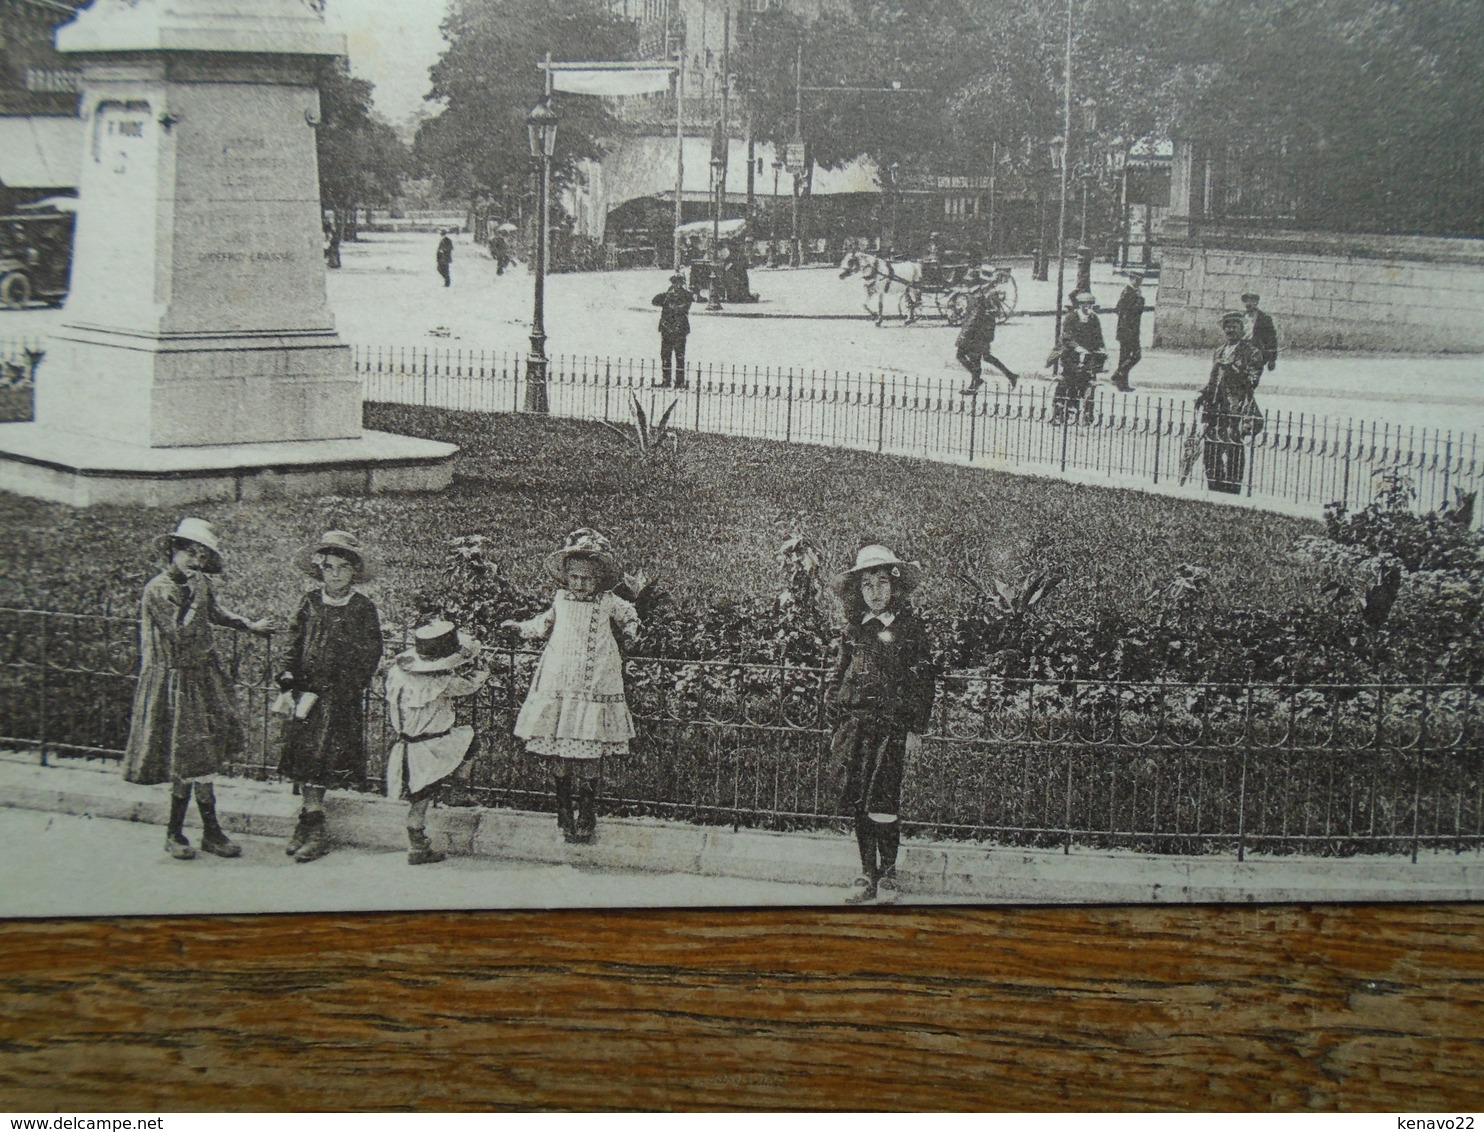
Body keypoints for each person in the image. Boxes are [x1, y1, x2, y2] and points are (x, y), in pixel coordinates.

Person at [121, 518, 275, 860]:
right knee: (186, 758)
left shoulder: (199, 583)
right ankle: (175, 833)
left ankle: (210, 832)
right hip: (173, 681)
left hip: (202, 677)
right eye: (187, 552)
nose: (194, 560)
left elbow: (215, 613)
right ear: (172, 552)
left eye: (200, 555)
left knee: (202, 756)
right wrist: (197, 594)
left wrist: (249, 625)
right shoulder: (159, 590)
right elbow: (180, 631)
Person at [502, 529, 640, 845]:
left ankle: (587, 811)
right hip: (560, 679)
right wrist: (519, 629)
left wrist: (632, 629)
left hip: (595, 681)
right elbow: (542, 625)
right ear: (565, 577)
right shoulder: (560, 600)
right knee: (560, 744)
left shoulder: (607, 601)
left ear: (600, 579)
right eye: (574, 577)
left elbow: (628, 615)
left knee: (590, 742)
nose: (579, 584)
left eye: (587, 579)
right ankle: (564, 809)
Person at [827, 544, 937, 905]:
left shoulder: (910, 631)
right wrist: (836, 722)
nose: (876, 591)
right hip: (855, 727)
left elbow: (923, 684)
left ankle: (888, 874)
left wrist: (914, 729)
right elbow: (838, 676)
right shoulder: (853, 631)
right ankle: (866, 873)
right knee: (859, 800)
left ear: (895, 586)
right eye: (868, 584)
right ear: (859, 591)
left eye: (882, 583)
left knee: (884, 801)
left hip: (890, 729)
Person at [274, 531, 385, 864]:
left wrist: (351, 683)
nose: (335, 574)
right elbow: (293, 642)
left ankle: (315, 829)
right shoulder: (309, 602)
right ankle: (308, 823)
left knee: (323, 761)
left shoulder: (363, 608)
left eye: (342, 567)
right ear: (319, 570)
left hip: (339, 698)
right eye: (329, 567)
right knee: (306, 758)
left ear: (353, 572)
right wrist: (287, 675)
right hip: (308, 694)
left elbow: (371, 652)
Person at [383, 620, 490, 865]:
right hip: (429, 745)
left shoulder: (399, 675)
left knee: (421, 795)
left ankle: (420, 841)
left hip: (410, 742)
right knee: (422, 798)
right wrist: (482, 670)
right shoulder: (439, 683)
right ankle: (419, 845)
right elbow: (469, 685)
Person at [1197, 310, 1266, 494]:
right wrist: (1203, 393)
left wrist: (1233, 369)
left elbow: (1252, 381)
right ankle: (1214, 487)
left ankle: (1232, 490)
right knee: (1211, 451)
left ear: (1242, 329)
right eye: (1227, 326)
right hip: (1215, 410)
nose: (1230, 330)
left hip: (1236, 410)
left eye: (1235, 326)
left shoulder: (1252, 352)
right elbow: (1214, 380)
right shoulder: (1219, 351)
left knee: (1233, 450)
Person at [956, 267, 1018, 395]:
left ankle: (976, 381)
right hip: (973, 329)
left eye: (969, 281)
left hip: (978, 331)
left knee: (964, 355)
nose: (967, 283)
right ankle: (1008, 375)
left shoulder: (984, 294)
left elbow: (995, 312)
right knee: (981, 357)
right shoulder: (975, 293)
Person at [1052, 289, 1106, 424]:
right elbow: (1066, 337)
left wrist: (1101, 350)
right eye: (1084, 305)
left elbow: (1098, 337)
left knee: (1088, 383)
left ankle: (1087, 414)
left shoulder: (1094, 319)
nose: (1087, 308)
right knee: (1068, 381)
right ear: (1079, 305)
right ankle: (1060, 411)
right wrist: (1077, 348)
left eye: (1090, 305)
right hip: (1071, 356)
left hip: (1088, 357)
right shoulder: (1071, 318)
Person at [651, 272, 692, 388]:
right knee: (665, 355)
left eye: (678, 282)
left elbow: (684, 306)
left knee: (679, 356)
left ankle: (679, 382)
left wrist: (672, 300)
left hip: (679, 329)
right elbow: (654, 301)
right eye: (674, 282)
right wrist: (667, 295)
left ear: (682, 283)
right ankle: (666, 380)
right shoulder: (667, 295)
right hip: (667, 328)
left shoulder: (686, 296)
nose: (676, 285)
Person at [1110, 271, 1146, 391]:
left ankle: (1119, 377)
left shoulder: (1132, 292)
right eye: (1138, 280)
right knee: (1129, 356)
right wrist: (1140, 299)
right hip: (1127, 331)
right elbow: (1124, 309)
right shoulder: (1128, 292)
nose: (1140, 283)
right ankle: (1121, 382)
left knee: (1130, 357)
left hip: (1131, 330)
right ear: (1132, 279)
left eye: (1141, 281)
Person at [1241, 292, 1278, 373]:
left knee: (1253, 378)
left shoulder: (1264, 319)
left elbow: (1271, 339)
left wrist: (1272, 359)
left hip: (1257, 354)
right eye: (1246, 301)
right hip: (1240, 353)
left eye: (1252, 301)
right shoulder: (1240, 318)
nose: (1248, 303)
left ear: (1256, 303)